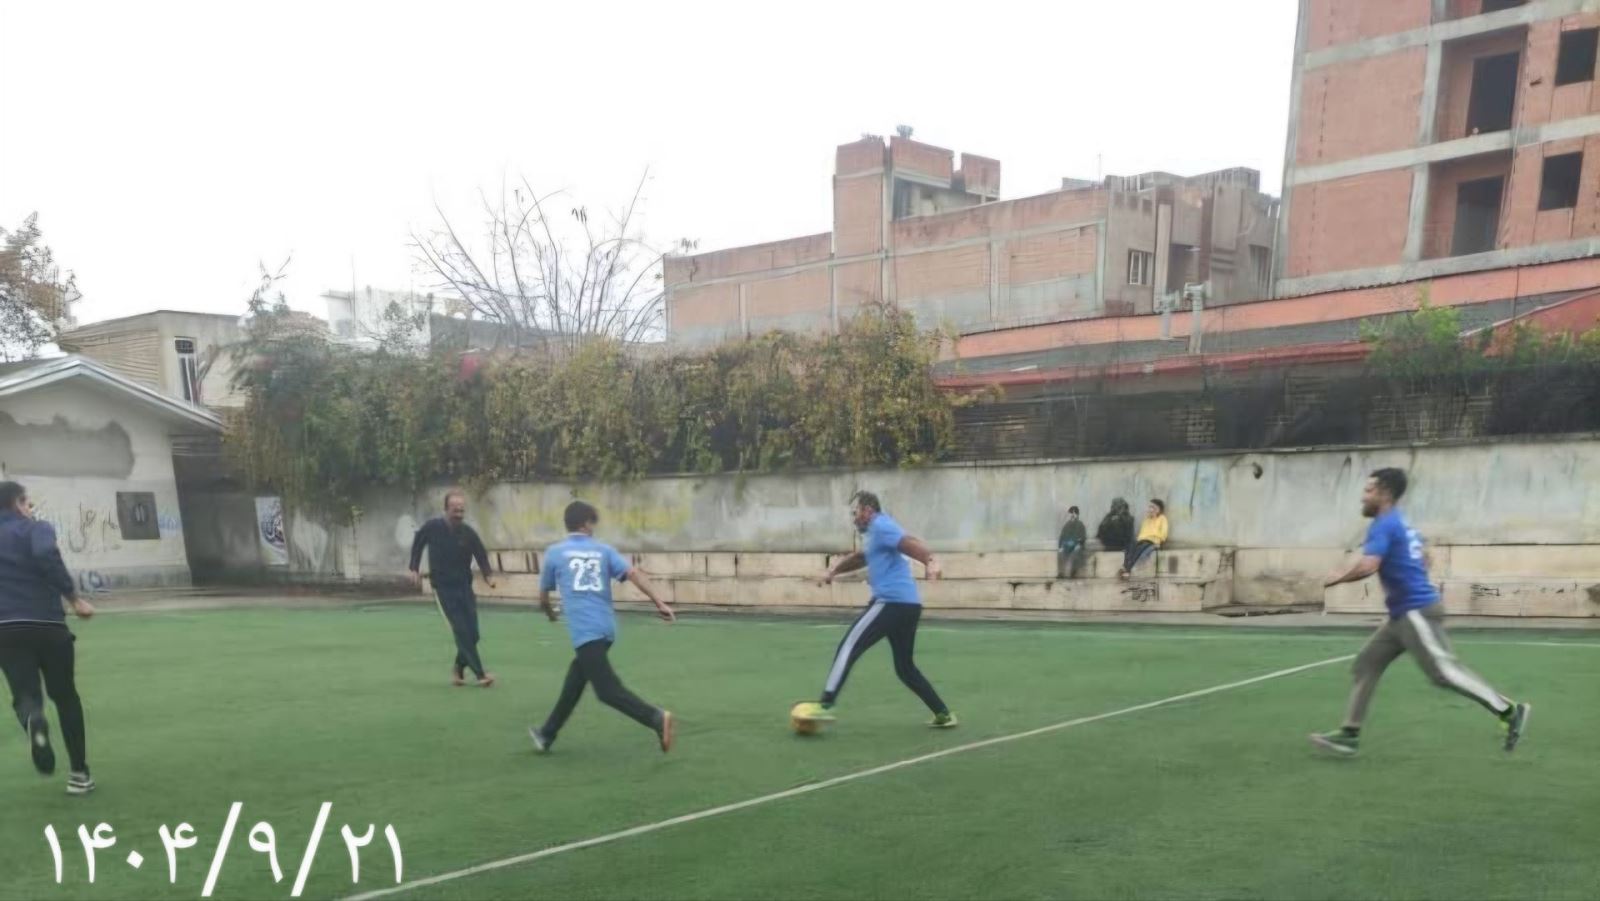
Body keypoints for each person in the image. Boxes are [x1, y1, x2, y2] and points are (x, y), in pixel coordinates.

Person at [1312, 468, 1531, 756]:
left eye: (1368, 490)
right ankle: (1349, 734)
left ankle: (1508, 711)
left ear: (1385, 493)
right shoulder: (1400, 522)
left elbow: (1369, 565)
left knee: (1443, 672)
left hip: (1415, 612)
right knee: (1367, 664)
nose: (1363, 497)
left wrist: (1336, 578)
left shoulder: (1383, 525)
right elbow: (1424, 556)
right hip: (1400, 615)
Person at [793, 491, 956, 728]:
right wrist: (833, 572)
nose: (853, 519)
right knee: (905, 668)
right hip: (909, 605)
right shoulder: (875, 533)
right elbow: (861, 558)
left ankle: (825, 705)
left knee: (849, 646)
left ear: (868, 510)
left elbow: (908, 543)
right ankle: (943, 713)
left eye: (855, 513)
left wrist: (930, 561)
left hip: (890, 602)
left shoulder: (881, 525)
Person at [527, 501, 677, 754]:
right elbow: (633, 574)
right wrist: (659, 602)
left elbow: (543, 597)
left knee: (607, 691)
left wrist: (551, 614)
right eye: (592, 522)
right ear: (585, 523)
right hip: (605, 629)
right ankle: (547, 733)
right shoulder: (604, 550)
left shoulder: (554, 553)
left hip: (585, 632)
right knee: (575, 681)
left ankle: (655, 718)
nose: (594, 527)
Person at [0, 481, 96, 795]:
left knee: (25, 696)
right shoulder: (36, 528)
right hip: (47, 624)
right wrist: (74, 598)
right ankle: (79, 774)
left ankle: (34, 720)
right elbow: (45, 555)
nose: (31, 508)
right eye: (27, 502)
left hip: (6, 628)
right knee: (65, 696)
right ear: (17, 503)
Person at [408, 489, 497, 687]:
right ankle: (480, 674)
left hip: (464, 587)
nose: (459, 511)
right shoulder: (433, 527)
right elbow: (418, 543)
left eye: (461, 508)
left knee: (473, 633)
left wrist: (488, 575)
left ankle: (458, 669)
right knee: (461, 631)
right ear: (446, 509)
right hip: (443, 588)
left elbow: (481, 554)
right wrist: (414, 567)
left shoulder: (468, 533)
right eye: (455, 508)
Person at [1118, 499, 1169, 579]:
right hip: (1143, 540)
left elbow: (1164, 533)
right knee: (1130, 545)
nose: (1150, 509)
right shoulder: (1147, 519)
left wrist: (1158, 541)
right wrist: (1137, 541)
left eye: (1153, 507)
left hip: (1153, 541)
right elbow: (1142, 534)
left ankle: (1127, 570)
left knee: (1140, 548)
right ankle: (1125, 567)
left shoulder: (1162, 518)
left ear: (1158, 509)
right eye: (1150, 507)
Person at [1057, 506, 1088, 578]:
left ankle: (1073, 572)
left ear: (1077, 515)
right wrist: (1060, 547)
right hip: (1067, 546)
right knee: (1060, 553)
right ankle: (1061, 573)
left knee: (1075, 552)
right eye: (1071, 513)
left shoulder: (1080, 525)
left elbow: (1083, 537)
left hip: (1076, 546)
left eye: (1074, 513)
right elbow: (1062, 537)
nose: (1072, 515)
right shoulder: (1067, 525)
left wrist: (1079, 545)